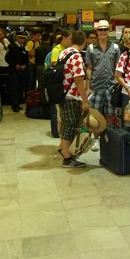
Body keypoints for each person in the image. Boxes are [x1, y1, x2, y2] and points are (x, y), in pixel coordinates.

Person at [56, 30, 90, 168]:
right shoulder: (76, 56)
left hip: (62, 93)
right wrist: (85, 100)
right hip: (71, 95)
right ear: (84, 42)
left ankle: (64, 150)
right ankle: (67, 158)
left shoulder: (64, 52)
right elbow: (78, 80)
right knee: (69, 125)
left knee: (66, 124)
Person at [85, 20, 121, 130]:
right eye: (100, 29)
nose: (103, 32)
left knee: (111, 115)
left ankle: (109, 137)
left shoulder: (115, 48)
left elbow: (117, 67)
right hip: (96, 87)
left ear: (108, 31)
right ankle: (96, 137)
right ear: (97, 31)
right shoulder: (91, 48)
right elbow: (89, 69)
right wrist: (88, 87)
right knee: (95, 117)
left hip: (111, 87)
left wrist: (118, 84)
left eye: (105, 29)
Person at [5, 33, 28, 112]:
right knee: (14, 87)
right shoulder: (11, 46)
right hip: (13, 70)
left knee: (20, 87)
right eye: (20, 38)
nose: (22, 40)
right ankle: (14, 105)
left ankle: (18, 103)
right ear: (17, 38)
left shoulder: (24, 47)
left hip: (21, 70)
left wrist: (25, 65)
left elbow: (26, 58)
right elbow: (7, 58)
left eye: (23, 38)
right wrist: (15, 65)